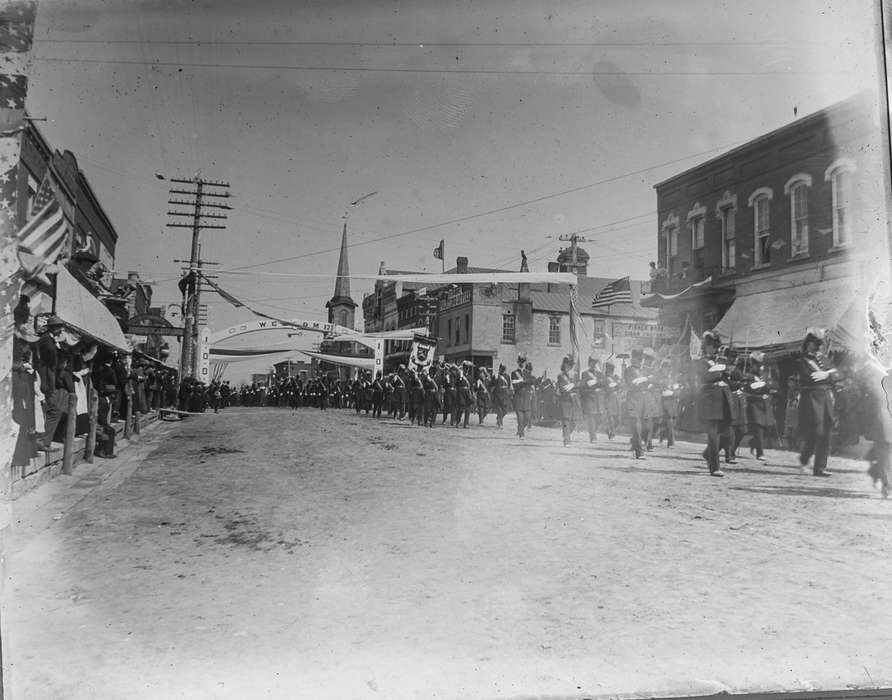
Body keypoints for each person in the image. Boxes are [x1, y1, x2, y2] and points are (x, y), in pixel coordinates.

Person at [797, 327, 839, 477]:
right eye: (814, 343)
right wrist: (828, 375)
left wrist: (825, 374)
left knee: (827, 432)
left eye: (819, 344)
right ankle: (804, 457)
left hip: (827, 398)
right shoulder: (803, 360)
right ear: (808, 343)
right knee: (817, 431)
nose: (817, 346)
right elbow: (809, 377)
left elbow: (837, 374)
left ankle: (820, 468)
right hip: (812, 398)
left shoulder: (825, 359)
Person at [698, 331, 736, 477]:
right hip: (711, 401)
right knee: (713, 436)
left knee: (726, 433)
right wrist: (721, 370)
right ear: (706, 347)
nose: (713, 349)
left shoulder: (720, 362)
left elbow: (732, 376)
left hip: (723, 400)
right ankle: (714, 467)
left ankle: (708, 454)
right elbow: (706, 377)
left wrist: (726, 369)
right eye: (711, 347)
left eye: (715, 347)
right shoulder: (701, 362)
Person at [742, 351, 774, 461]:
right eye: (757, 364)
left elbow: (772, 385)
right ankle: (760, 453)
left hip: (765, 404)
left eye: (761, 364)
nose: (760, 366)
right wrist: (764, 387)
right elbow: (750, 388)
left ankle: (753, 442)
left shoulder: (766, 374)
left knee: (768, 428)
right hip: (755, 403)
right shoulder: (749, 375)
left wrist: (768, 387)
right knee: (759, 428)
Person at [624, 348, 649, 459]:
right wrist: (644, 380)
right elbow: (632, 383)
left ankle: (634, 443)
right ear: (633, 359)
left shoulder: (644, 371)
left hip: (643, 401)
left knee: (645, 427)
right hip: (633, 400)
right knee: (637, 426)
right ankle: (639, 452)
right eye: (639, 359)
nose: (641, 361)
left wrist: (647, 379)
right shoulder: (629, 370)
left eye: (642, 359)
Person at [579, 356, 603, 442]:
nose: (595, 365)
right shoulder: (585, 373)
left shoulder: (600, 374)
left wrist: (596, 382)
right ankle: (593, 436)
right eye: (593, 363)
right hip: (589, 398)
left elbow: (603, 383)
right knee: (591, 417)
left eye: (596, 363)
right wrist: (587, 384)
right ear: (589, 364)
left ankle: (593, 431)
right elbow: (582, 385)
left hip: (598, 399)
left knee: (599, 418)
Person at [556, 355, 577, 446]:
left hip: (573, 402)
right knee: (566, 420)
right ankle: (567, 440)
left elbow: (579, 385)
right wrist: (572, 387)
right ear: (564, 365)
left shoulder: (574, 375)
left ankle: (566, 434)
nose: (569, 367)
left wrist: (573, 385)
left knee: (573, 422)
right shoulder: (561, 376)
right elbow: (563, 388)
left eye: (571, 365)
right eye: (567, 365)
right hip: (565, 401)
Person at [511, 354, 533, 439]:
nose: (522, 364)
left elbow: (532, 381)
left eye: (523, 362)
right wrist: (524, 381)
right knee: (520, 418)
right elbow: (515, 384)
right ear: (518, 362)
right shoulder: (514, 373)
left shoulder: (527, 373)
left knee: (527, 418)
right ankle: (521, 434)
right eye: (520, 362)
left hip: (526, 398)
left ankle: (520, 429)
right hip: (519, 397)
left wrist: (524, 381)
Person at [602, 361, 620, 440]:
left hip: (616, 398)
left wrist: (617, 384)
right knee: (611, 416)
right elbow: (606, 388)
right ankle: (612, 433)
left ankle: (608, 429)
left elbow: (621, 385)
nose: (612, 370)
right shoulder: (605, 378)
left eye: (613, 368)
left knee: (617, 418)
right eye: (611, 368)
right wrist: (615, 385)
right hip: (608, 398)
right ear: (607, 369)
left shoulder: (615, 377)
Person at [491, 363, 511, 429]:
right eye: (502, 369)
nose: (503, 370)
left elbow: (509, 385)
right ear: (500, 369)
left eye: (504, 369)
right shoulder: (496, 376)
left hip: (505, 394)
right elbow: (492, 384)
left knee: (505, 410)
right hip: (498, 394)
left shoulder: (507, 376)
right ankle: (500, 423)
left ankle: (499, 418)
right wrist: (495, 379)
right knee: (499, 409)